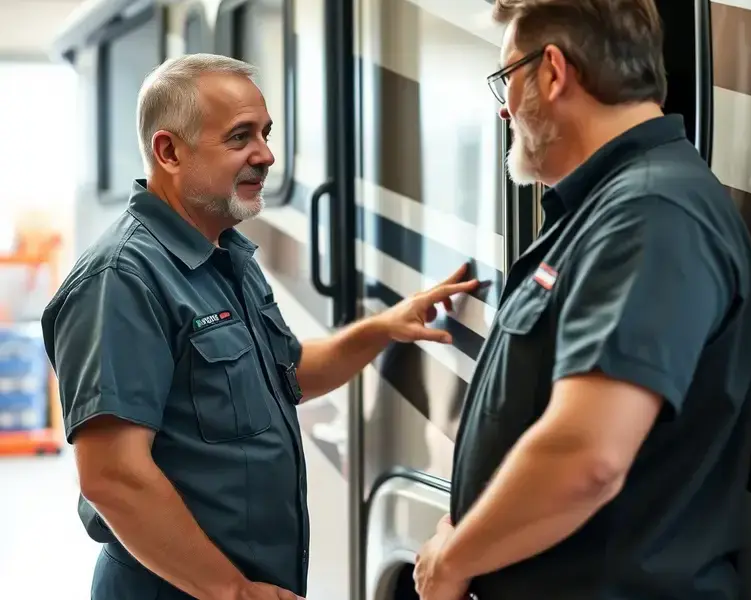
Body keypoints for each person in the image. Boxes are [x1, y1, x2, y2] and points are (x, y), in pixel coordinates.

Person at [40, 53, 478, 600]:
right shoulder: (122, 278)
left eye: (266, 133)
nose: (266, 155)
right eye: (240, 137)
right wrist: (233, 591)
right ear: (168, 151)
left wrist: (382, 327)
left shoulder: (225, 254)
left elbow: (286, 371)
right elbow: (113, 476)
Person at [412, 1, 751, 599]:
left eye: (508, 78)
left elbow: (587, 456)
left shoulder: (650, 214)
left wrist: (453, 560)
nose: (503, 107)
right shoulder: (608, 206)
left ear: (553, 71)